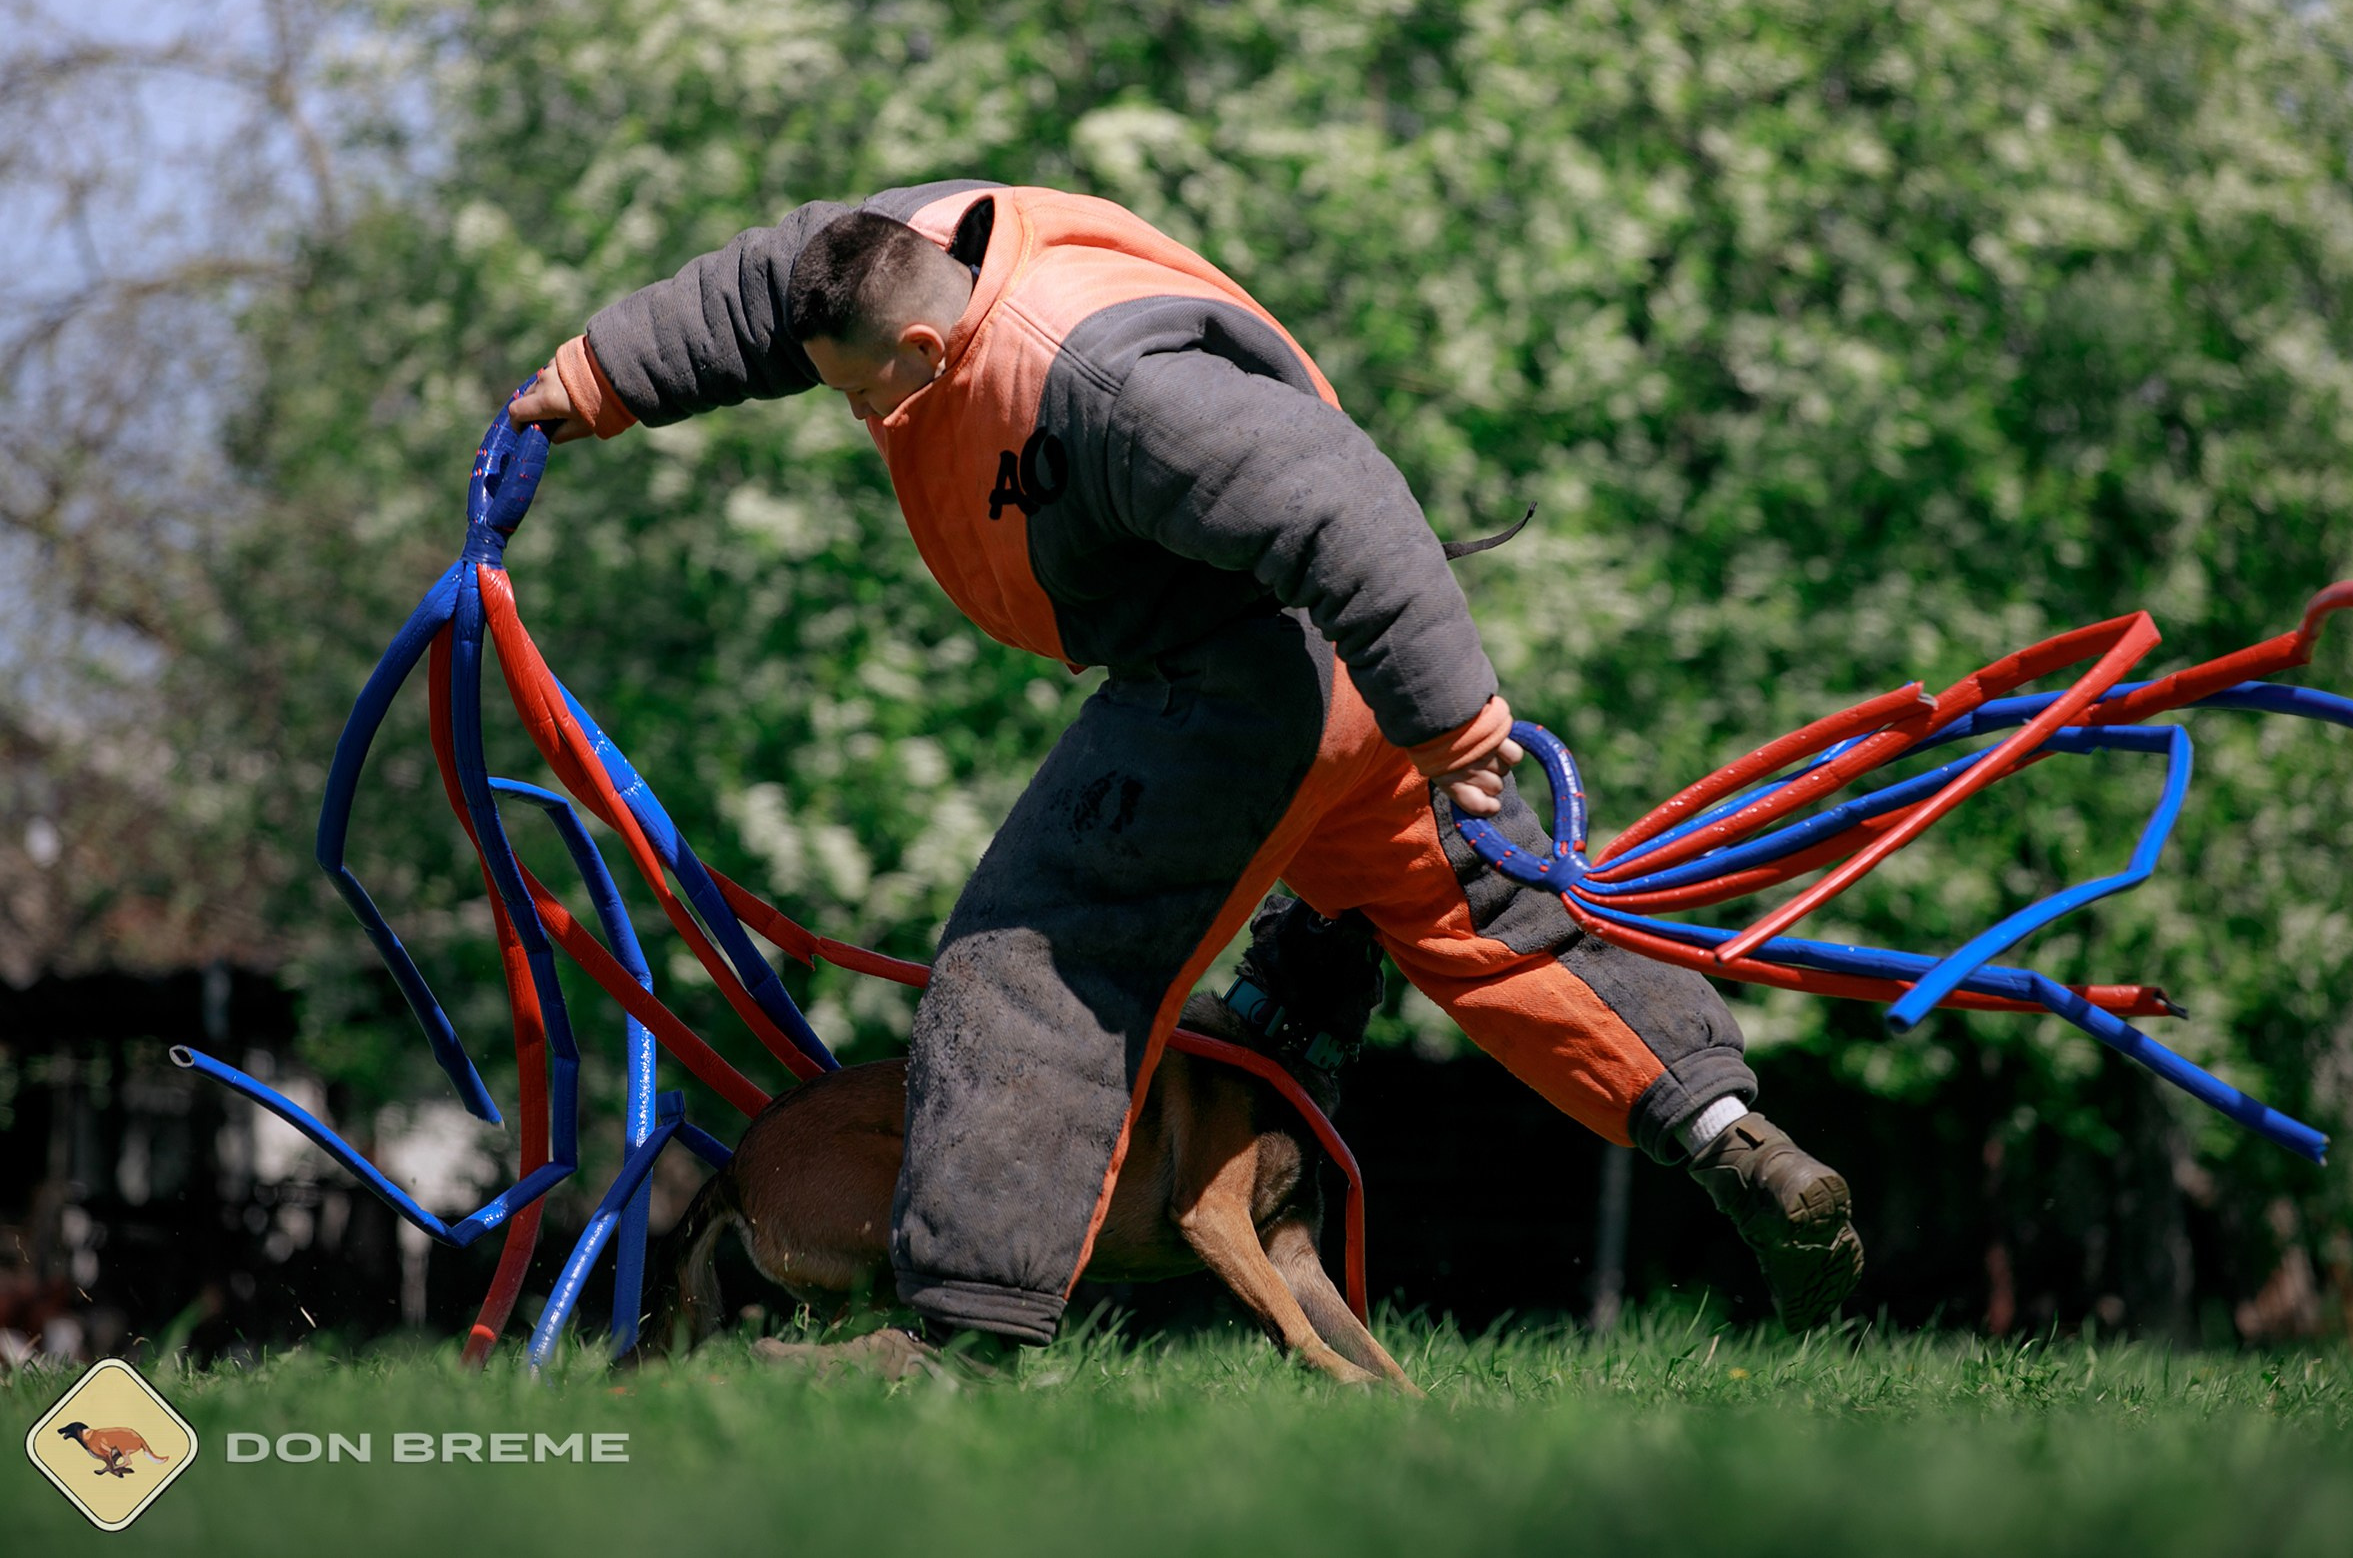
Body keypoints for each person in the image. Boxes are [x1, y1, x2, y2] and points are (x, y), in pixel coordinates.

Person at [507, 180, 1864, 1338]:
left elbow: (1338, 498)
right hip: (1327, 687)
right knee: (1492, 921)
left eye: (869, 395)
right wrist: (593, 379)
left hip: (1246, 678)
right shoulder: (910, 241)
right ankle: (1735, 1144)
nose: (866, 423)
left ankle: (958, 1330)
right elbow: (770, 283)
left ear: (927, 340)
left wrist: (1455, 721)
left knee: (1034, 956)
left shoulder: (1104, 385)